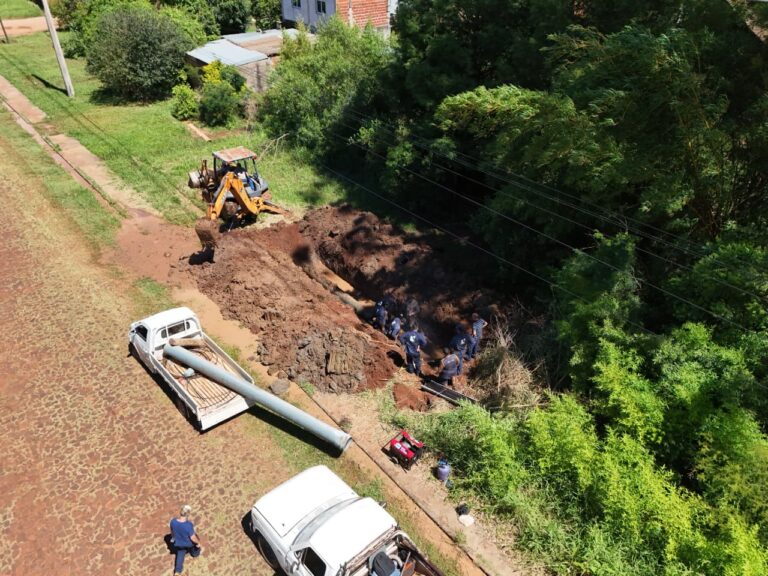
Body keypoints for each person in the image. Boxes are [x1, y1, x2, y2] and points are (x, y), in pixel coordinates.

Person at [170, 504, 201, 576]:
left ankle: (177, 572)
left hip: (179, 544)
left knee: (180, 555)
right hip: (188, 544)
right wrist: (198, 543)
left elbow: (172, 533)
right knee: (196, 548)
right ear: (188, 514)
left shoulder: (173, 521)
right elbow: (192, 538)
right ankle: (194, 553)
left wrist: (173, 538)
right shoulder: (188, 525)